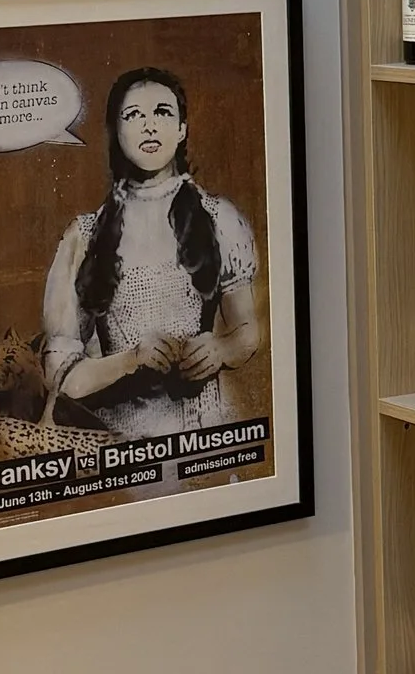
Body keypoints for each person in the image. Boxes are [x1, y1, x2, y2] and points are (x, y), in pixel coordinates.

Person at [40, 67, 262, 443]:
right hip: (122, 448)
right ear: (117, 131)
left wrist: (220, 348)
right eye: (134, 115)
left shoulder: (218, 218)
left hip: (208, 437)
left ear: (182, 129)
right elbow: (62, 375)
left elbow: (247, 332)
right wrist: (131, 360)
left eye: (162, 112)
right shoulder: (84, 237)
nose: (149, 127)